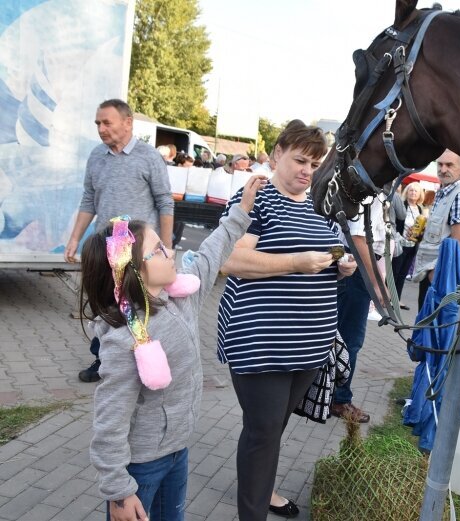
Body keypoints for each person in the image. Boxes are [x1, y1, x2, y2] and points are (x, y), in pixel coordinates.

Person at [84, 175, 266, 521]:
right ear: (133, 271)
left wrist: (242, 210)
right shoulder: (127, 340)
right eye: (157, 250)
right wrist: (119, 492)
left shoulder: (179, 299)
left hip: (177, 452)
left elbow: (212, 253)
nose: (169, 250)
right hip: (140, 467)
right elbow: (109, 420)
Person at [217, 122, 356, 521]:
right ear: (276, 154)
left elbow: (335, 250)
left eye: (315, 163)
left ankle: (262, 489)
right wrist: (295, 263)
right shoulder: (254, 199)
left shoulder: (319, 205)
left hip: (310, 345)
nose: (307, 170)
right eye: (300, 160)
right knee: (262, 431)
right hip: (262, 342)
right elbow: (230, 259)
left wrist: (342, 264)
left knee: (272, 428)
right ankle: (253, 510)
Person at [65, 99, 175, 383]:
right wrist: (75, 238)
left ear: (128, 123)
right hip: (105, 250)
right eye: (98, 124)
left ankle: (144, 360)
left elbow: (165, 203)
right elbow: (89, 200)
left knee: (135, 307)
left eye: (107, 122)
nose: (101, 129)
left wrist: (165, 246)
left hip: (138, 252)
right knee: (103, 308)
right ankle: (103, 360)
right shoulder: (96, 157)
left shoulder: (149, 157)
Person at [334, 193, 392, 420]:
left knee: (340, 335)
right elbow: (358, 238)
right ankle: (339, 399)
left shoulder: (369, 190)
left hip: (352, 265)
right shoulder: (371, 193)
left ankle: (327, 393)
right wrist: (377, 282)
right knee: (350, 340)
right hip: (355, 268)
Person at [411, 149, 460, 310]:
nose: (443, 169)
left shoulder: (459, 195)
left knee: (431, 331)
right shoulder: (443, 192)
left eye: (449, 165)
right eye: (440, 164)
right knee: (424, 329)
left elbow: (458, 245)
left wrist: (435, 275)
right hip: (432, 273)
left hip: (439, 277)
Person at [391, 182, 424, 310]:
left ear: (420, 194)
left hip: (412, 245)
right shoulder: (402, 205)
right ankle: (389, 298)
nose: (413, 192)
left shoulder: (420, 209)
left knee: (403, 273)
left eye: (416, 191)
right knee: (394, 272)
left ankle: (397, 299)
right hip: (400, 243)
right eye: (411, 190)